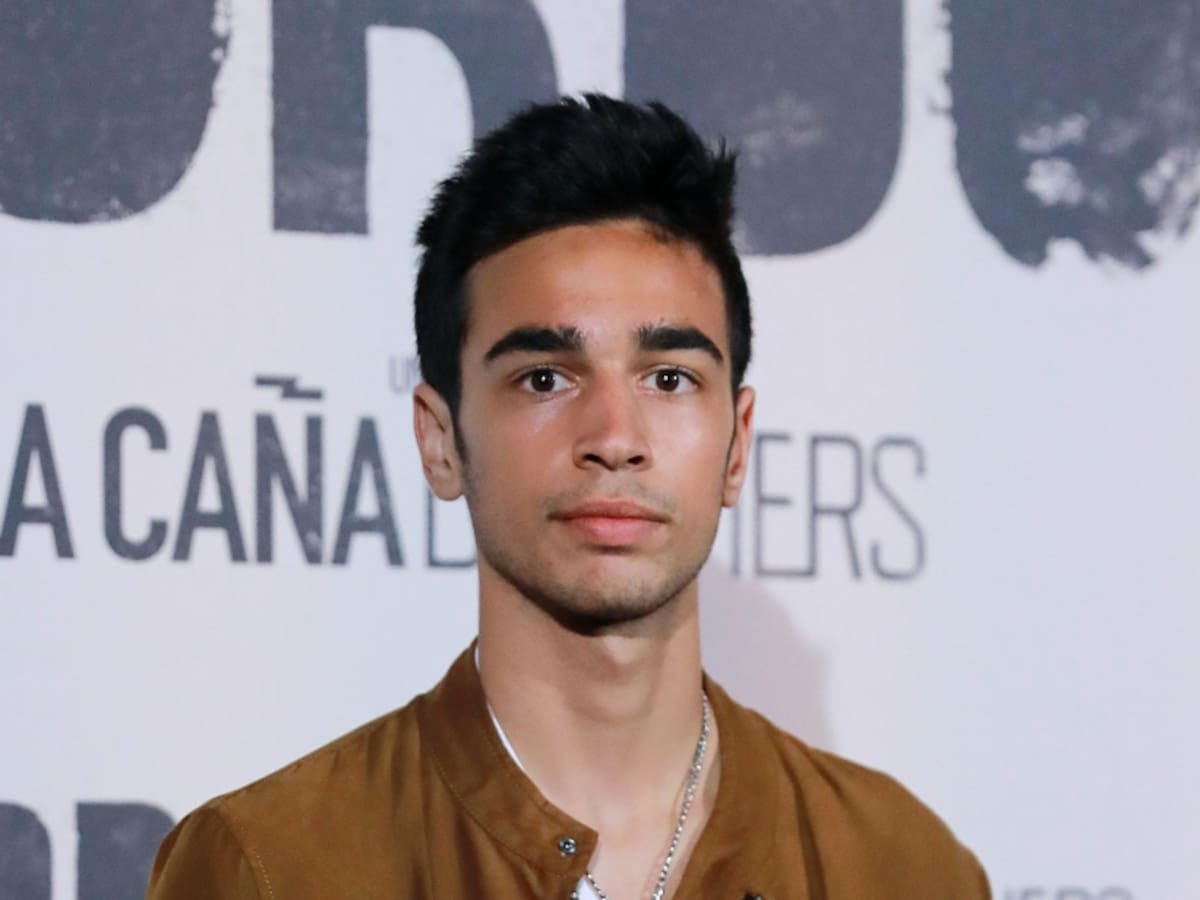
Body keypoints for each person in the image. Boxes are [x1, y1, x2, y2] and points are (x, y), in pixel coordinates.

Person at [146, 94, 990, 900]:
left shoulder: (905, 869)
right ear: (440, 441)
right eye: (545, 378)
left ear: (737, 445)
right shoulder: (271, 870)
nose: (615, 437)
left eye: (669, 378)